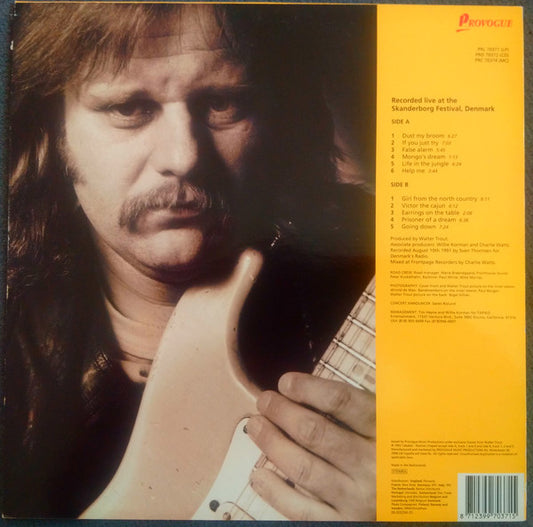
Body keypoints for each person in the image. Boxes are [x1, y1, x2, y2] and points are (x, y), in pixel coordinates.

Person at [4, 3, 376, 520]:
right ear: (52, 131)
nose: (183, 157)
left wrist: (421, 501)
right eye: (129, 108)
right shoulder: (14, 357)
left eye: (223, 103)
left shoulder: (382, 278)